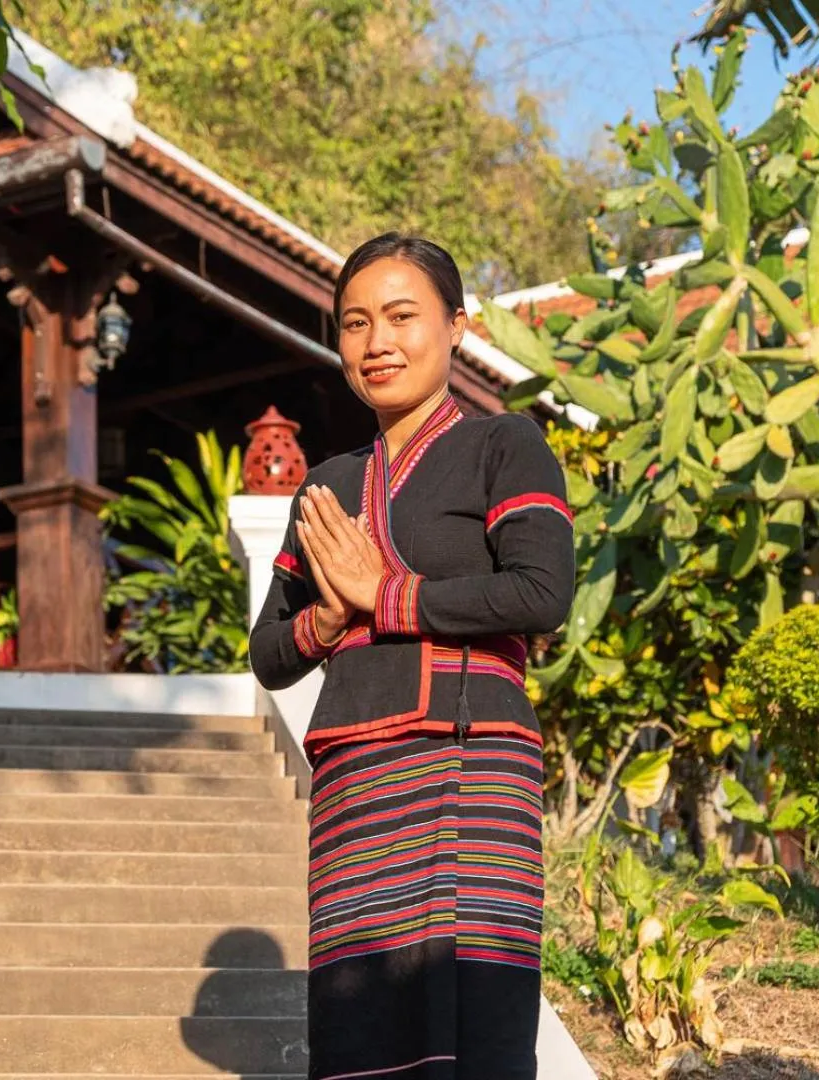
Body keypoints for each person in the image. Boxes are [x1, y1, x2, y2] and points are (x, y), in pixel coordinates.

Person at [250, 233, 575, 1080]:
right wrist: (328, 614)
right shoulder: (324, 484)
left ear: (456, 327)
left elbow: (540, 592)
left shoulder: (505, 446)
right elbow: (270, 653)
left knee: (473, 1015)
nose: (377, 342)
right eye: (355, 323)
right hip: (356, 776)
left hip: (470, 762)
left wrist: (384, 594)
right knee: (363, 1030)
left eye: (401, 316)